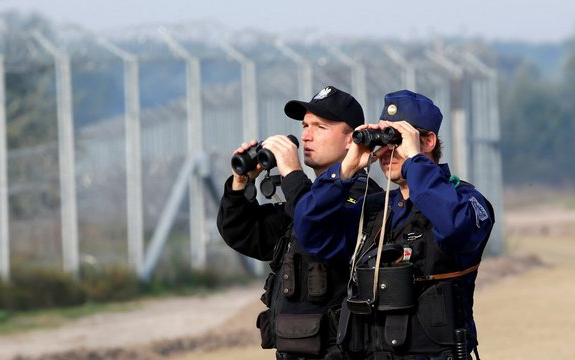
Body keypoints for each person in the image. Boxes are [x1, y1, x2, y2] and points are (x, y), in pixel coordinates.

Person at [293, 89, 495, 360]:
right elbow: (310, 231)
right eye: (383, 140)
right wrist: (345, 170)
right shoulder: (375, 209)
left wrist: (415, 163)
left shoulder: (465, 201)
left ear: (428, 141)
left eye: (397, 140)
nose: (388, 151)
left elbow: (456, 228)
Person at [217, 85, 382, 360]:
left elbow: (314, 223)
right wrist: (241, 182)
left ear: (351, 140)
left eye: (320, 126)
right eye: (305, 125)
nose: (306, 136)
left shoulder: (364, 199)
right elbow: (242, 232)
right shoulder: (304, 199)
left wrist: (292, 171)